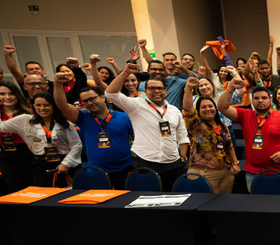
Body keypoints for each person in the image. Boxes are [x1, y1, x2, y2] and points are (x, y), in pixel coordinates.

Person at [105, 59, 189, 191]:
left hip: (174, 163)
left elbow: (183, 136)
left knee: (176, 196)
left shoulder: (174, 110)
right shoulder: (136, 105)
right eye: (152, 88)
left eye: (159, 88)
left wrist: (182, 157)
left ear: (165, 92)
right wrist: (125, 72)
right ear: (145, 91)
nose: (156, 91)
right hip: (147, 162)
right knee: (150, 197)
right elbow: (110, 94)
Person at [215, 73, 280, 191]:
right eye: (256, 98)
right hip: (252, 172)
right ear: (252, 101)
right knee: (255, 201)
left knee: (278, 201)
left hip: (278, 171)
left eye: (264, 98)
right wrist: (230, 88)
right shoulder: (245, 115)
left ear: (270, 100)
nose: (260, 101)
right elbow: (222, 107)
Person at [54, 81, 135, 189]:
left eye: (92, 98)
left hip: (124, 169)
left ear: (103, 97)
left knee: (125, 198)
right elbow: (62, 105)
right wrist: (58, 83)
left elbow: (137, 139)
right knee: (101, 200)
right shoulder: (83, 118)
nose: (89, 103)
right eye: (85, 101)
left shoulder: (124, 117)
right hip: (96, 171)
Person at [0, 93, 82, 187]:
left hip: (64, 164)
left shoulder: (64, 123)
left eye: (46, 105)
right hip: (40, 164)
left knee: (68, 193)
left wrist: (66, 163)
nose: (42, 108)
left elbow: (76, 145)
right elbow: (1, 127)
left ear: (53, 106)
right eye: (38, 105)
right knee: (43, 194)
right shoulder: (25, 120)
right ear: (33, 106)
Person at [180, 77, 240, 193]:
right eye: (203, 107)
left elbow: (229, 146)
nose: (208, 109)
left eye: (210, 106)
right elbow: (187, 109)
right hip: (204, 172)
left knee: (225, 202)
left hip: (225, 172)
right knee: (207, 203)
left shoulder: (222, 126)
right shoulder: (195, 124)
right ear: (198, 110)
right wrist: (188, 88)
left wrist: (235, 163)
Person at [0, 80, 35, 193]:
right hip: (6, 156)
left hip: (29, 155)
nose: (7, 97)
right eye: (2, 94)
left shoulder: (28, 113)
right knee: (15, 191)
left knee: (33, 191)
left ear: (17, 95)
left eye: (11, 93)